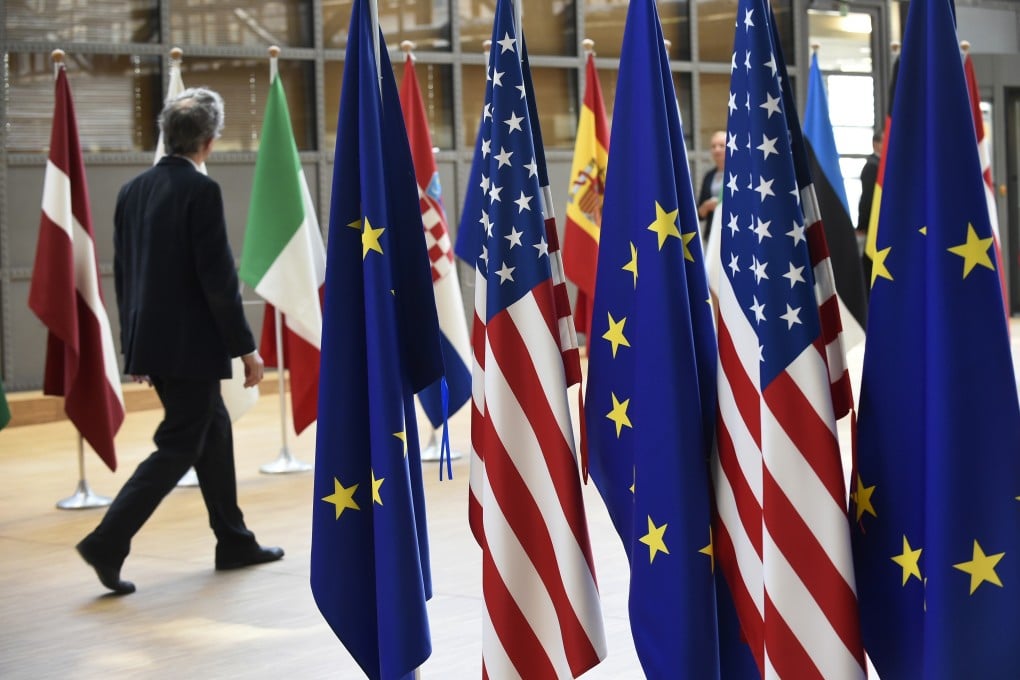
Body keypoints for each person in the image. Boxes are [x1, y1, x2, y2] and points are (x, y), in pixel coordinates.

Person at [76, 88, 282, 595]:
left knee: (212, 434)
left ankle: (233, 540)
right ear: (209, 142)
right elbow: (216, 280)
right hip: (192, 348)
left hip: (156, 343)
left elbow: (125, 277)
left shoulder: (132, 190)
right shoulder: (201, 192)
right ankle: (107, 540)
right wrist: (246, 348)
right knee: (178, 446)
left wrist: (134, 348)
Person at [857, 130, 882, 290]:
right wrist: (862, 226)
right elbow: (867, 199)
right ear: (875, 143)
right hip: (870, 227)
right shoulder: (872, 167)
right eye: (883, 141)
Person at [697, 130, 726, 241]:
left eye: (721, 146)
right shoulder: (709, 176)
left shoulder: (741, 175)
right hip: (711, 234)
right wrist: (706, 206)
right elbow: (699, 213)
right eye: (713, 146)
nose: (717, 150)